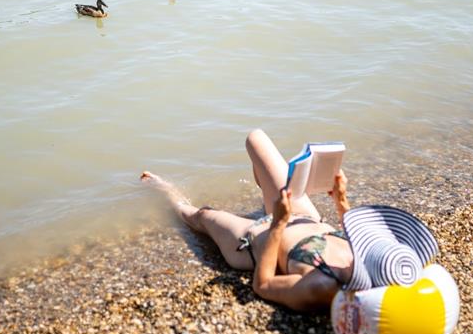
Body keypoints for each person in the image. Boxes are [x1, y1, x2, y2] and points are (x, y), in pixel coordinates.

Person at [141, 129, 438, 312]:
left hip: (253, 240)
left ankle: (165, 192)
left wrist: (279, 222)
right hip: (304, 215)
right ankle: (266, 192)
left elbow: (264, 284)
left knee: (201, 216)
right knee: (256, 139)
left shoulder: (321, 287)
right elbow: (356, 235)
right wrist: (341, 201)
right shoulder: (374, 257)